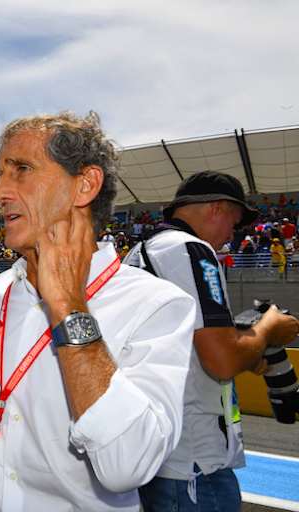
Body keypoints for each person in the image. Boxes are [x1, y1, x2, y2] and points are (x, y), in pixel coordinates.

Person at [0, 112, 197, 511]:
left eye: (21, 169)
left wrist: (68, 306)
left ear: (85, 184)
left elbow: (127, 466)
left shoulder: (157, 305)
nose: (0, 192)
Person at [124, 171, 299, 511]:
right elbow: (221, 361)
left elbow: (183, 345)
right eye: (234, 223)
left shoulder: (139, 253)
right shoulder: (190, 250)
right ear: (217, 208)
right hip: (194, 460)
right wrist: (269, 329)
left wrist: (249, 349)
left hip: (154, 451)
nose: (232, 236)